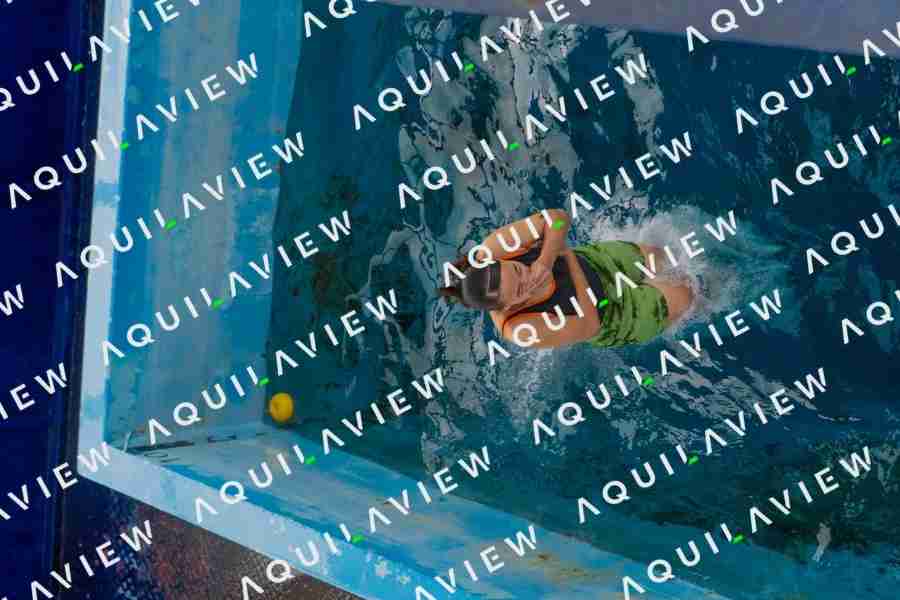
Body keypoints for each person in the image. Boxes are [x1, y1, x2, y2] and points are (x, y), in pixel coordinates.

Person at [436, 208, 693, 349]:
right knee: (688, 293)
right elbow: (589, 325)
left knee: (673, 259)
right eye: (521, 288)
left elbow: (557, 218)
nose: (527, 275)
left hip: (597, 263)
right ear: (509, 306)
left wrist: (546, 260)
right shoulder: (517, 329)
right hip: (610, 315)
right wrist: (567, 257)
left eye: (518, 268)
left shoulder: (493, 249)